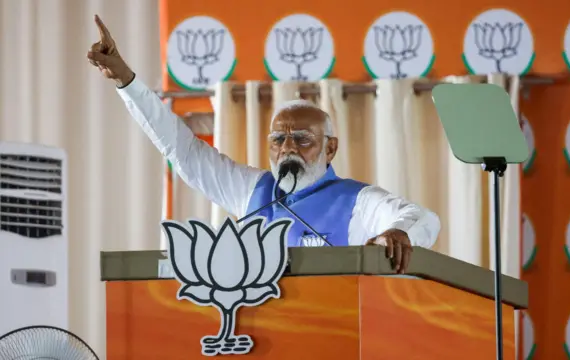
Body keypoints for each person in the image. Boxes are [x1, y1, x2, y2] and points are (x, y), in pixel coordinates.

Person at [86, 15, 440, 274]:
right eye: (278, 139)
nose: (288, 147)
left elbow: (423, 219)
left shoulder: (356, 200)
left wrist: (397, 232)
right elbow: (184, 152)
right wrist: (126, 81)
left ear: (330, 148)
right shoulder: (254, 191)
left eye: (302, 139)